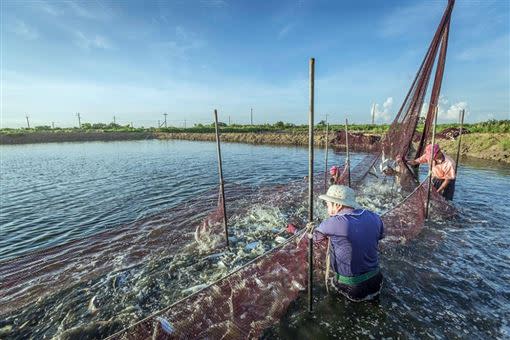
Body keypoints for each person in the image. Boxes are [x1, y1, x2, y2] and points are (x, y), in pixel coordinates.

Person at [314, 185, 384, 302]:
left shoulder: (332, 222)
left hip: (351, 286)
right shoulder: (375, 217)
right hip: (376, 279)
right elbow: (378, 237)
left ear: (338, 205)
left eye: (327, 204)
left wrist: (294, 230)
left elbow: (313, 239)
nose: (327, 208)